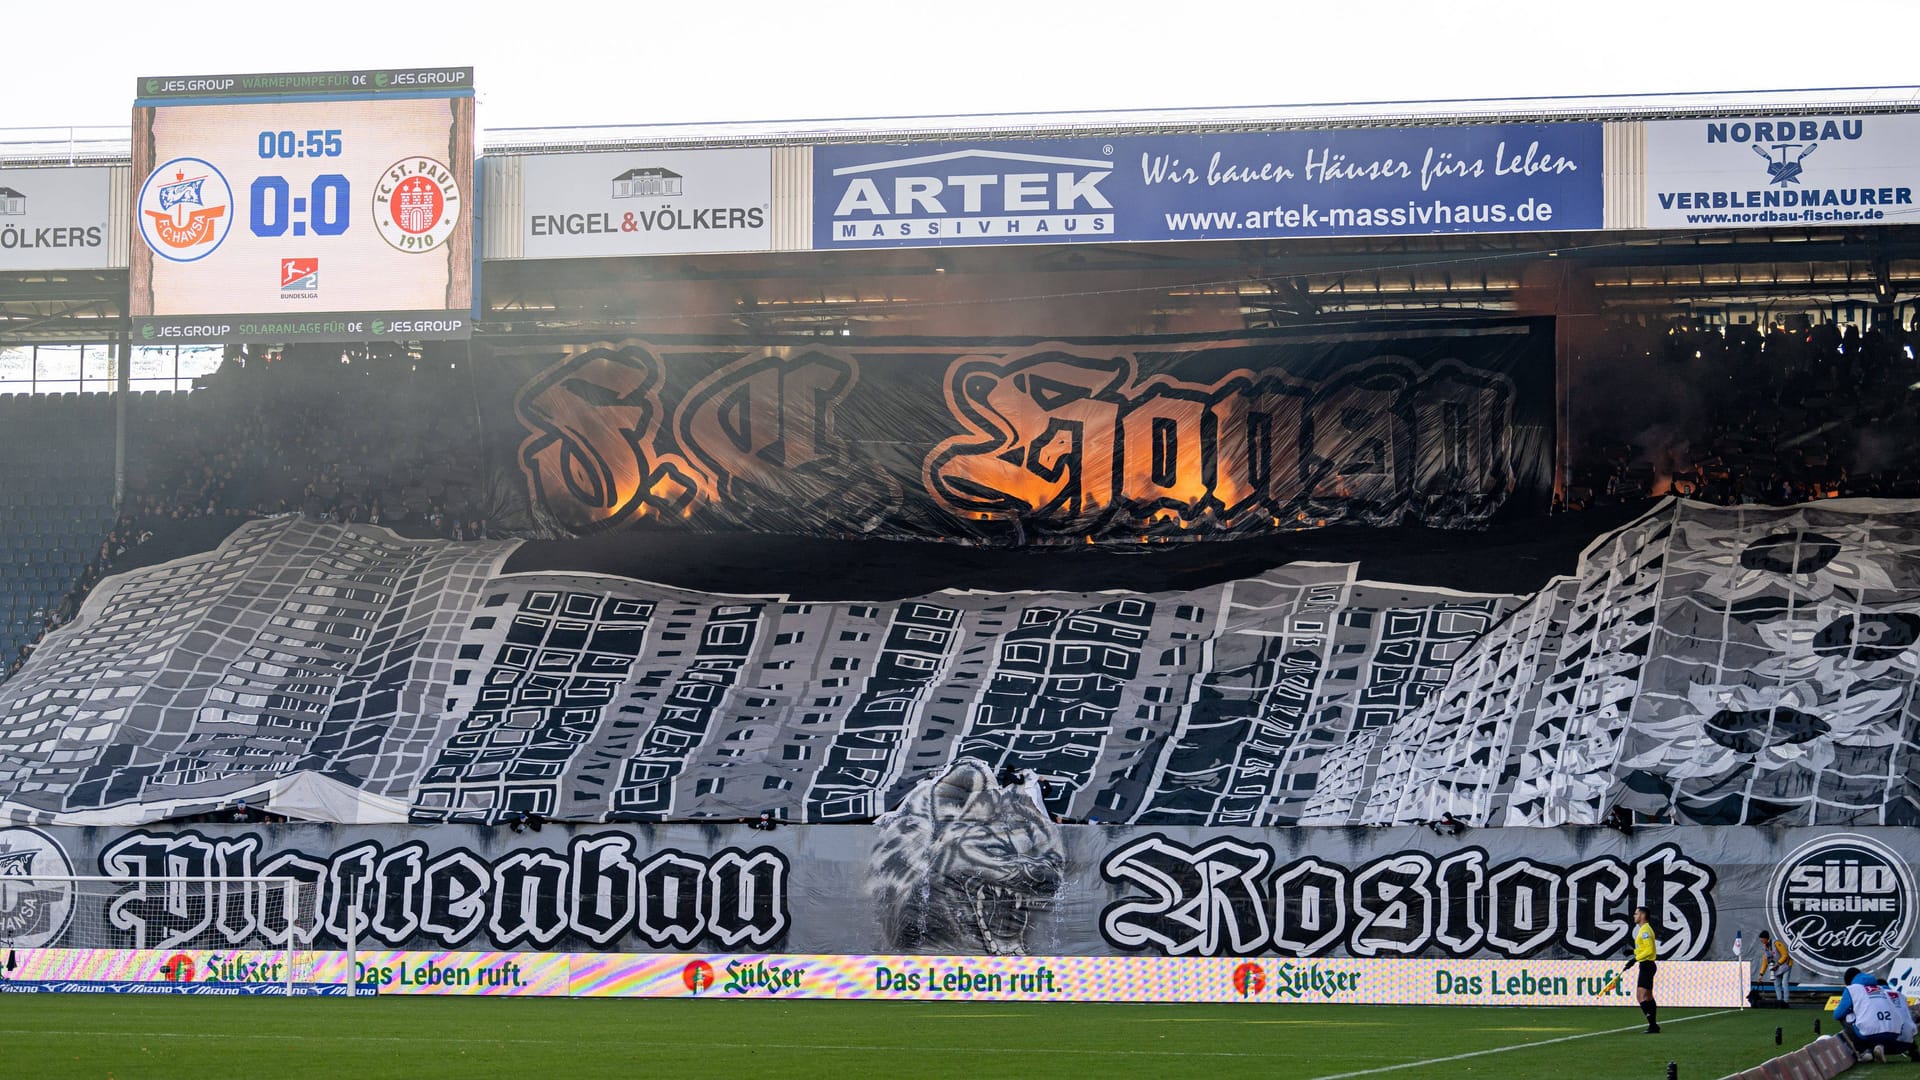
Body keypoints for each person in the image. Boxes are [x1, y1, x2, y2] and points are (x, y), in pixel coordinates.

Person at [1835, 967, 1920, 1062]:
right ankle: (1914, 1052)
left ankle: (1865, 1051)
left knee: (1847, 1017)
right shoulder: (1883, 990)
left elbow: (1837, 1014)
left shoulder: (1852, 989)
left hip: (1876, 1038)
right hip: (1897, 1037)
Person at [1621, 906, 1660, 1033]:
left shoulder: (1645, 931)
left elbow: (1649, 950)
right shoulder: (1644, 929)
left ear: (1642, 916)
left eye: (1636, 913)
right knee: (1647, 996)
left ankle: (1652, 1024)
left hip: (1647, 965)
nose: (1634, 916)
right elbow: (1645, 948)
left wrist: (1635, 958)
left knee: (1641, 996)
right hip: (1647, 965)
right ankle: (1653, 1025)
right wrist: (1633, 951)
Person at [1756, 930, 1793, 1006]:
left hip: (1785, 965)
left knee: (1784, 983)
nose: (1761, 940)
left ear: (1766, 938)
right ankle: (1779, 1002)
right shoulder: (1765, 948)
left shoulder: (1776, 943)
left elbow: (1785, 955)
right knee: (1776, 985)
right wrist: (1761, 974)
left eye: (1762, 939)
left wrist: (1778, 964)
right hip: (1776, 968)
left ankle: (1785, 1002)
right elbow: (1765, 962)